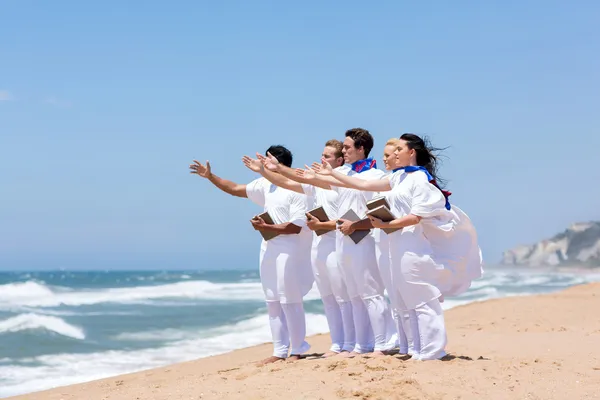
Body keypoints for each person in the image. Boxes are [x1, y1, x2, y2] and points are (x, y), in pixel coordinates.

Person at [311, 133, 483, 360]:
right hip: (394, 242)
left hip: (412, 243)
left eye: (399, 150)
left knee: (420, 296)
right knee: (402, 298)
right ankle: (414, 348)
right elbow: (362, 183)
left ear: (411, 152)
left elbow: (416, 216)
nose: (393, 154)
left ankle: (433, 350)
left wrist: (387, 223)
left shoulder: (420, 179)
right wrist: (332, 174)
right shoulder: (398, 177)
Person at [189, 145, 314, 365]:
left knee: (289, 299)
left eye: (266, 159)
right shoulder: (265, 185)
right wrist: (210, 177)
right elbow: (236, 188)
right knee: (272, 300)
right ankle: (279, 350)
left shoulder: (297, 187)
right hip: (269, 247)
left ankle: (298, 348)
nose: (262, 163)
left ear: (278, 163)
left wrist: (266, 227)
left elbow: (296, 226)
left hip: (291, 248)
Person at [241, 139, 356, 357]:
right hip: (316, 244)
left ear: (340, 159)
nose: (322, 160)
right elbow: (289, 181)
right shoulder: (311, 183)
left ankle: (352, 344)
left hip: (337, 243)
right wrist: (266, 171)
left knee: (346, 296)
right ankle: (318, 346)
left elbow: (299, 222)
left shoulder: (344, 181)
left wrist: (271, 170)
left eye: (327, 156)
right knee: (320, 299)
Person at [295, 128, 396, 356]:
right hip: (344, 240)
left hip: (363, 240)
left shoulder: (375, 176)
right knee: (355, 296)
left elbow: (381, 213)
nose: (344, 150)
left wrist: (356, 225)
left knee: (371, 293)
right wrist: (275, 169)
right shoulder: (344, 173)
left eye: (348, 147)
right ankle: (361, 345)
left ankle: (382, 343)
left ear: (361, 149)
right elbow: (305, 179)